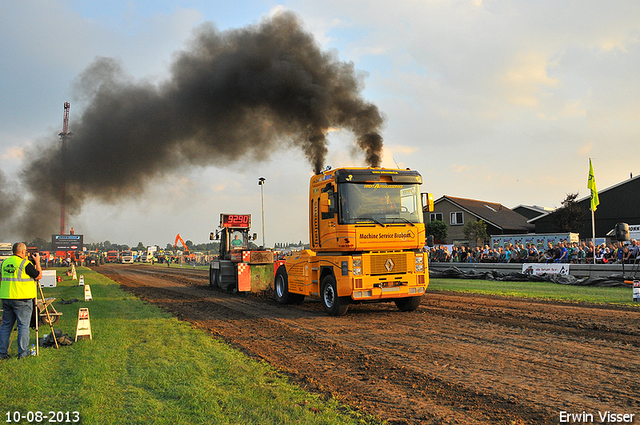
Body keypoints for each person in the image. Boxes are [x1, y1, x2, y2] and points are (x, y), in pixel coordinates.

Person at [0, 243, 42, 359]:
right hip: (22, 299)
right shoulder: (25, 263)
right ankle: (23, 353)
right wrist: (37, 262)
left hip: (6, 297)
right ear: (23, 252)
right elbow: (38, 276)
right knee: (23, 326)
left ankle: (2, 353)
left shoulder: (4, 263)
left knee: (6, 326)